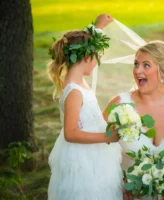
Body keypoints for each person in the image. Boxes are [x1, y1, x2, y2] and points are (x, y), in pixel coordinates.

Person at [103, 41, 164, 200]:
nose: (137, 70)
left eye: (146, 65)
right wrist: (117, 182)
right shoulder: (119, 105)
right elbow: (97, 150)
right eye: (136, 64)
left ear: (163, 72)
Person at [47, 14, 123, 200]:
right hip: (83, 157)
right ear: (88, 56)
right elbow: (70, 133)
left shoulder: (77, 81)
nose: (98, 63)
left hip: (93, 150)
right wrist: (107, 136)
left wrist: (98, 26)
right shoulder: (74, 90)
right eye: (97, 57)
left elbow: (82, 40)